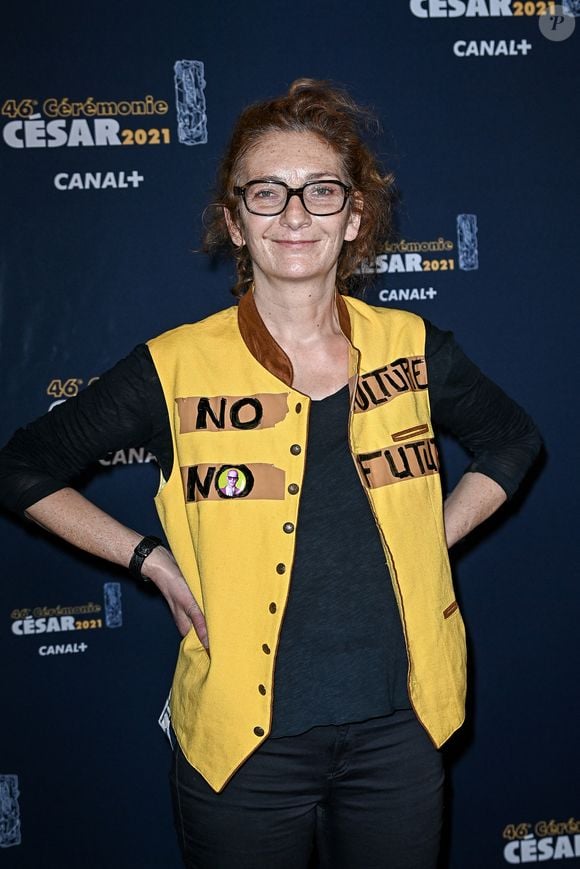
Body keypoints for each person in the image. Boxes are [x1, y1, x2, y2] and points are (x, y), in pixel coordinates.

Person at [0, 79, 541, 869]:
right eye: (268, 192)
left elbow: (513, 442)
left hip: (400, 729)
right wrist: (148, 559)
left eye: (320, 191)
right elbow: (22, 468)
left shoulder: (414, 346)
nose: (294, 214)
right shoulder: (176, 363)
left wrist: (432, 534)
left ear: (353, 217)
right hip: (240, 751)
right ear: (235, 219)